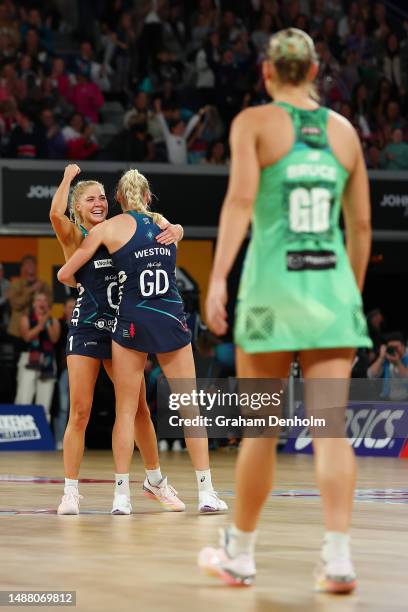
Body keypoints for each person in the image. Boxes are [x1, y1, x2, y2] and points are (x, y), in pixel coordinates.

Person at [198, 28, 372, 592]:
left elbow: (242, 201)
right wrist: (349, 292)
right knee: (330, 429)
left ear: (268, 73)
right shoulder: (345, 133)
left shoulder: (253, 122)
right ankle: (339, 558)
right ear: (316, 71)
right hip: (330, 294)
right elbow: (362, 226)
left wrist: (218, 277)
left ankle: (241, 554)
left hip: (272, 290)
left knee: (260, 434)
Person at [58, 168, 228, 515]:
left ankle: (127, 494)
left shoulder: (109, 229)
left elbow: (64, 273)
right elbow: (174, 230)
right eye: (90, 198)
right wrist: (178, 230)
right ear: (148, 196)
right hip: (158, 317)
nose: (98, 202)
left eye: (103, 197)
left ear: (117, 199)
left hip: (129, 320)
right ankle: (207, 492)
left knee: (131, 411)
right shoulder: (163, 224)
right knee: (188, 408)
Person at [15, 291, 60, 423]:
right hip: (29, 360)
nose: (42, 302)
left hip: (47, 361)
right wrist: (41, 324)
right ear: (34, 303)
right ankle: (20, 434)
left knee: (44, 403)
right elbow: (27, 337)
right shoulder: (26, 318)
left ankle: (41, 437)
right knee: (24, 398)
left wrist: (47, 321)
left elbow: (54, 339)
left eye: (44, 300)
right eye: (39, 300)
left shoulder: (53, 321)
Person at [7, 255, 51, 344]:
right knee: (19, 357)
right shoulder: (16, 284)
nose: (30, 266)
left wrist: (39, 294)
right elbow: (15, 304)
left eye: (32, 264)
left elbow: (49, 304)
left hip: (38, 328)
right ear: (22, 267)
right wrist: (30, 290)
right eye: (27, 264)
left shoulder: (43, 284)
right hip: (17, 330)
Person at [367, 332, 408, 400]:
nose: (394, 350)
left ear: (404, 346)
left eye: (396, 347)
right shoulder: (386, 358)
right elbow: (371, 375)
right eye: (391, 347)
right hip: (387, 399)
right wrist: (381, 357)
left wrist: (398, 362)